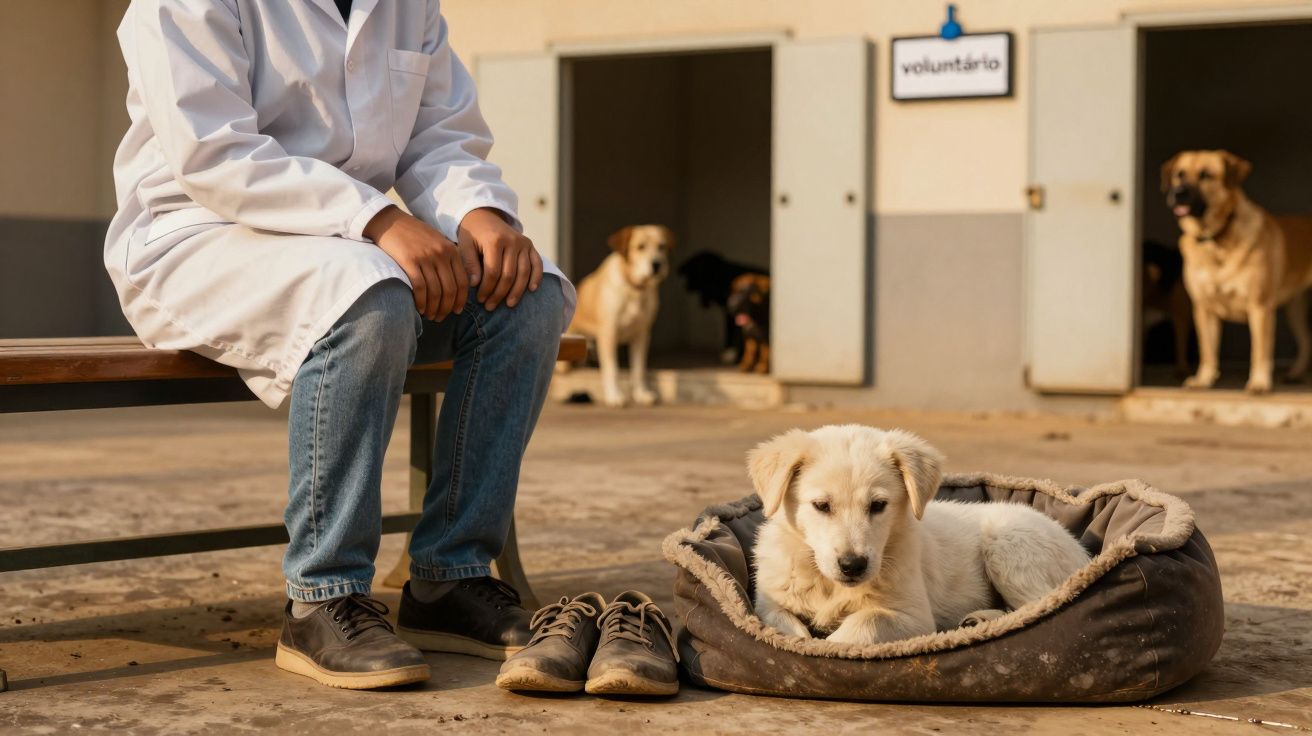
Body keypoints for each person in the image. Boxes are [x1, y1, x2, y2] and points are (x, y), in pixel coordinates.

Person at [104, 0, 575, 690]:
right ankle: (322, 596)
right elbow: (214, 152)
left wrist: (480, 216)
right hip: (194, 236)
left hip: (347, 240)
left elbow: (438, 134)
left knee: (525, 297)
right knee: (369, 297)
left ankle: (450, 577)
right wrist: (377, 217)